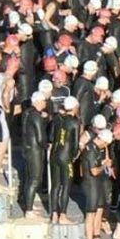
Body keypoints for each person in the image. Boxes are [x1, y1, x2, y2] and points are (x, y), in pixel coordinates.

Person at [49, 96, 81, 224]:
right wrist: (74, 156)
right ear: (74, 108)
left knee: (55, 185)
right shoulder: (75, 122)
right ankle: (63, 215)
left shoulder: (57, 118)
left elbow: (51, 136)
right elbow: (75, 144)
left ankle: (54, 214)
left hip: (54, 154)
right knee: (66, 185)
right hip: (66, 156)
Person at [21, 91, 50, 217]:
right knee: (35, 179)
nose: (45, 103)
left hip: (27, 148)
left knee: (29, 178)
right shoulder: (36, 116)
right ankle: (29, 210)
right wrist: (47, 146)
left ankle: (28, 205)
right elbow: (40, 137)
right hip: (35, 150)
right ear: (38, 102)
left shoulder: (27, 113)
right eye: (43, 101)